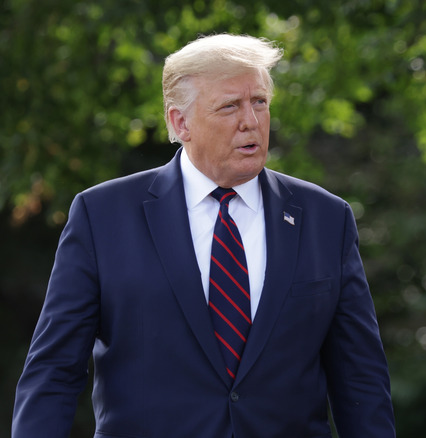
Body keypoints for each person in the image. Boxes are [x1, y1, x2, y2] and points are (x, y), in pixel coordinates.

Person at [13, 33, 395, 438]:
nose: (251, 121)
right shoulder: (101, 215)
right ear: (181, 123)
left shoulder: (326, 218)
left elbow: (361, 381)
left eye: (259, 102)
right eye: (230, 106)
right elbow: (54, 371)